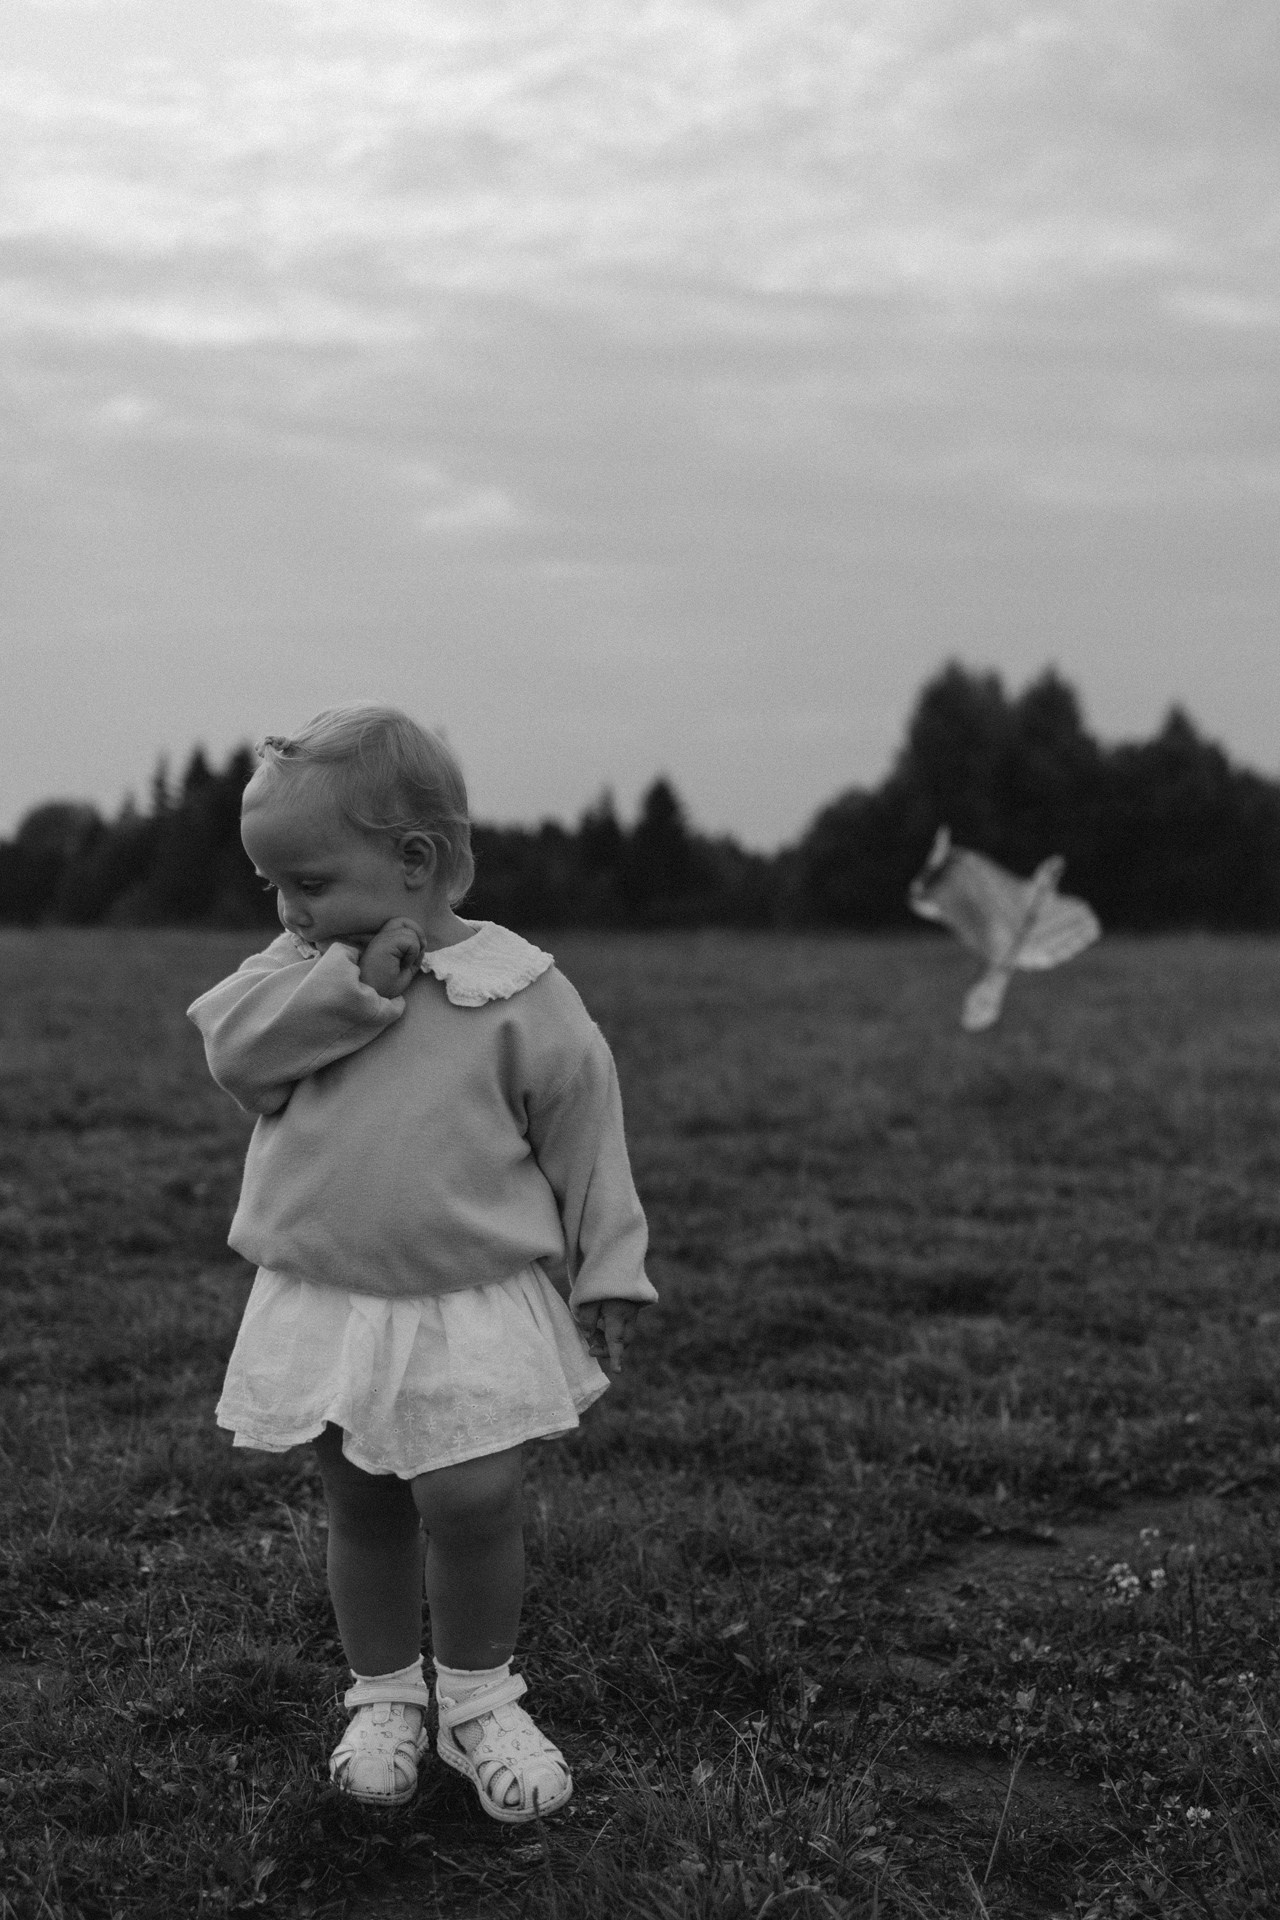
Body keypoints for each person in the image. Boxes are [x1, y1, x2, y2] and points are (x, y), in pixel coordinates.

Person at [187, 703, 656, 1823]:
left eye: (307, 881)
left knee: (473, 1496)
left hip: (467, 1298)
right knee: (359, 1498)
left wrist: (607, 1268)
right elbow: (236, 1059)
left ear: (412, 861)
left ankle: (480, 1697)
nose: (290, 910)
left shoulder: (518, 992)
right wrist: (355, 986)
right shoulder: (296, 976)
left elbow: (587, 1132)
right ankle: (386, 1692)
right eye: (275, 890)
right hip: (332, 1297)